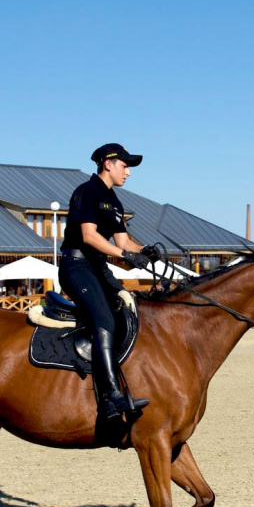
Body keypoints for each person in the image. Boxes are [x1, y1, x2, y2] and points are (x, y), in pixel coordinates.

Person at [58, 142, 160, 420]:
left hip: (98, 268)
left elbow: (124, 241)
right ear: (108, 164)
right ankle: (110, 397)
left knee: (130, 310)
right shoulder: (86, 192)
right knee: (104, 320)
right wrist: (125, 254)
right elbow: (90, 237)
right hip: (76, 266)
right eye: (125, 166)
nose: (128, 172)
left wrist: (146, 252)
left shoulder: (115, 201)